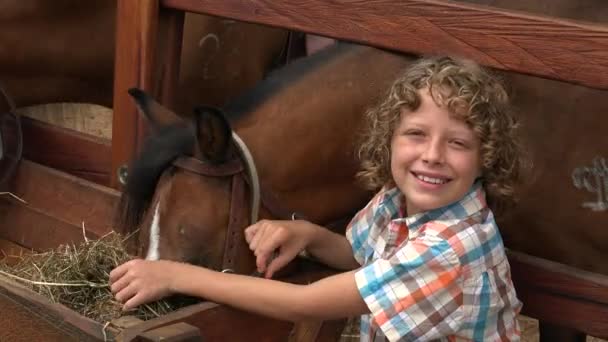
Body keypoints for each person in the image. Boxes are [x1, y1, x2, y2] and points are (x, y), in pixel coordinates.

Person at [110, 56, 525, 341]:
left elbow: (304, 304)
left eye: (457, 143)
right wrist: (309, 236)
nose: (432, 155)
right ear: (390, 140)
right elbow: (363, 255)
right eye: (416, 134)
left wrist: (175, 275)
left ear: (485, 157)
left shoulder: (451, 249)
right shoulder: (396, 200)